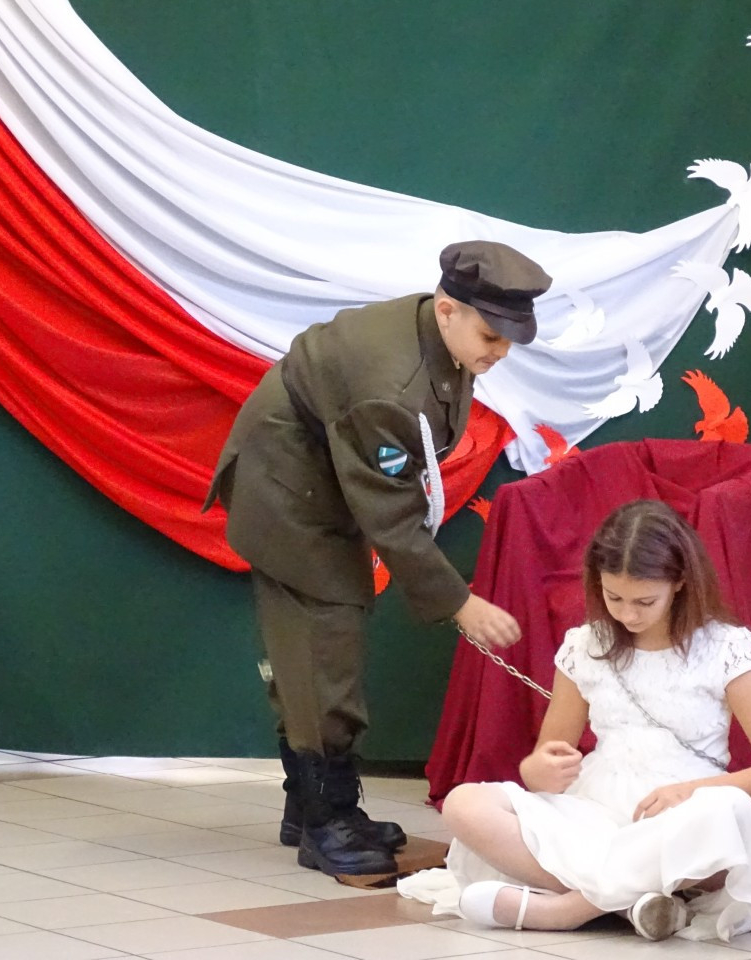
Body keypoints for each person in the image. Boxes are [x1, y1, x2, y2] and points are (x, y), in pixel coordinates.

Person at [203, 241, 553, 879]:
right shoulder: (390, 386)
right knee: (323, 649)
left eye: (511, 337)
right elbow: (390, 511)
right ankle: (325, 822)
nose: (501, 351)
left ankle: (311, 807)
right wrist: (459, 603)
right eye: (491, 334)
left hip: (325, 476)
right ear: (447, 309)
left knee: (319, 650)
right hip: (288, 491)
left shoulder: (439, 335)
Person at [426, 499, 751, 941]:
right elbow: (546, 762)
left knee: (726, 814)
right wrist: (539, 770)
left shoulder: (724, 647)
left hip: (682, 814)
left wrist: (689, 792)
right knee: (464, 803)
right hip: (594, 811)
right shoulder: (586, 645)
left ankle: (569, 909)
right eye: (614, 598)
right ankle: (632, 902)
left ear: (680, 582)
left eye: (645, 601)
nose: (627, 614)